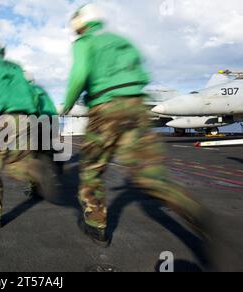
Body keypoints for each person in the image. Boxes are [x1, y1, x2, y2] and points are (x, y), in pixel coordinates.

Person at [63, 3, 207, 247]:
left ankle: (97, 226)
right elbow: (143, 72)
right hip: (137, 107)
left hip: (105, 108)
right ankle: (196, 214)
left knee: (91, 170)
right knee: (149, 176)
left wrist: (67, 105)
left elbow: (79, 74)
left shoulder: (85, 42)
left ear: (82, 22)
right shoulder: (122, 41)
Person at [0, 35, 58, 228]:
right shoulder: (16, 67)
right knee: (17, 157)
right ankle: (31, 168)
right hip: (25, 119)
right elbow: (33, 96)